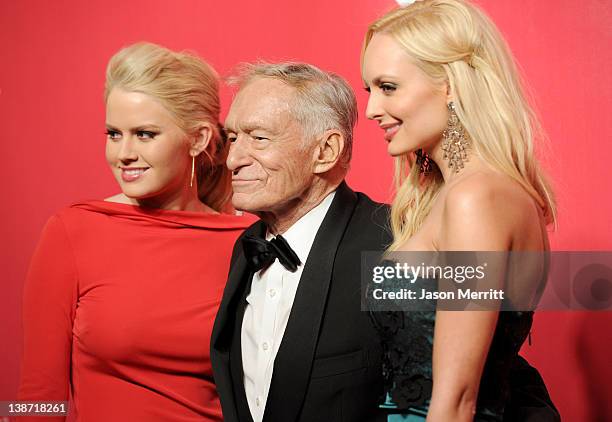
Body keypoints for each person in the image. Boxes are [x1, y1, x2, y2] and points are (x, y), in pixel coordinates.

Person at [18, 42, 253, 421]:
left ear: (198, 138)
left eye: (144, 134)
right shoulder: (73, 229)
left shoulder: (244, 241)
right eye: (114, 133)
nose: (123, 153)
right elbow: (35, 395)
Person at [361, 0, 559, 421]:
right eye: (369, 90)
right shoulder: (460, 195)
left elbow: (456, 402)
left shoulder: (477, 200)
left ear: (450, 84)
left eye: (388, 87)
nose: (372, 110)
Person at [210, 62, 391, 422]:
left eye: (258, 138)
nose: (232, 160)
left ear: (325, 151)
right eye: (232, 138)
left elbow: (488, 378)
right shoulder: (246, 249)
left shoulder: (395, 241)